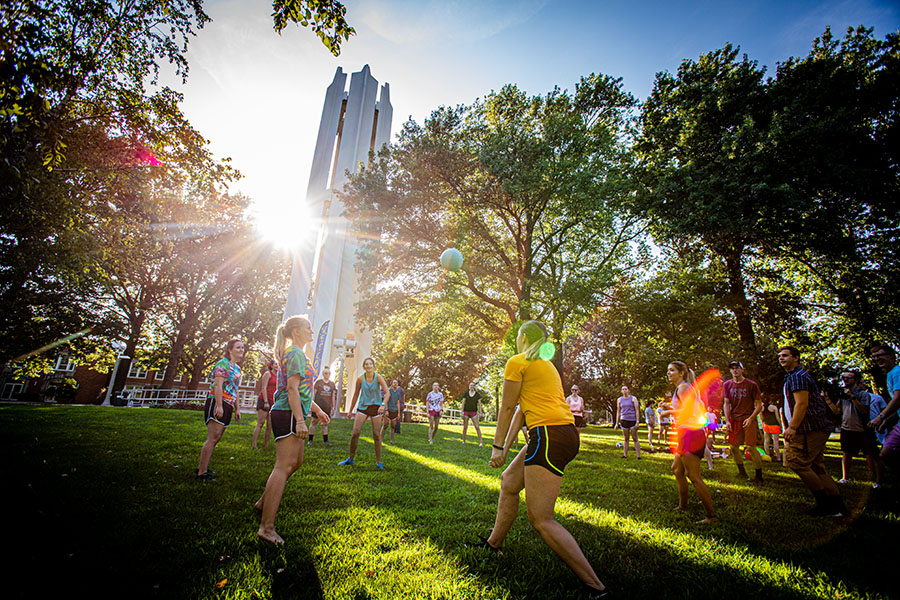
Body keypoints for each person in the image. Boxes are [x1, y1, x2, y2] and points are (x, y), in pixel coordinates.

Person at [470, 320, 610, 599]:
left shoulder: (518, 361)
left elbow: (507, 407)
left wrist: (496, 447)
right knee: (509, 481)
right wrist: (505, 449)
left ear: (522, 337)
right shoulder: (545, 366)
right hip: (561, 434)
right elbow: (522, 410)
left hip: (548, 437)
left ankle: (597, 588)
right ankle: (493, 544)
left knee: (541, 518)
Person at [256, 316, 330, 544]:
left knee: (295, 462)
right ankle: (266, 528)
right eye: (308, 327)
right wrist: (300, 419)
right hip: (288, 413)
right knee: (283, 466)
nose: (312, 330)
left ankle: (262, 503)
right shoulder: (296, 353)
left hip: (292, 412)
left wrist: (316, 410)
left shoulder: (298, 354)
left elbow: (303, 391)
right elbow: (291, 389)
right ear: (296, 332)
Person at [777, 346, 845, 517]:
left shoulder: (798, 377)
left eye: (785, 355)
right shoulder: (793, 376)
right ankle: (837, 507)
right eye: (779, 356)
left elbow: (802, 404)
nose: (781, 358)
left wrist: (792, 427)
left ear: (796, 358)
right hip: (813, 428)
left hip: (808, 429)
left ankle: (825, 505)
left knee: (795, 461)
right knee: (817, 467)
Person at [659, 361, 716, 523]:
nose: (668, 373)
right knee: (677, 469)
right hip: (687, 432)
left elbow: (688, 411)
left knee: (694, 475)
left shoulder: (684, 387)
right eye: (667, 370)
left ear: (681, 373)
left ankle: (711, 516)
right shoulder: (682, 388)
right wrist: (669, 406)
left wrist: (667, 412)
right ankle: (683, 505)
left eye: (671, 370)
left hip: (691, 434)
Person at [824, 370, 883, 488]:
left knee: (869, 454)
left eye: (848, 378)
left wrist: (853, 398)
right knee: (846, 453)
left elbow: (864, 410)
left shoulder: (863, 395)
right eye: (843, 377)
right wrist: (827, 400)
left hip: (862, 429)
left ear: (855, 380)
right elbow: (837, 411)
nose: (845, 380)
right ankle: (845, 478)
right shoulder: (843, 394)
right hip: (847, 428)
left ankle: (877, 480)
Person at [196, 339, 244, 481]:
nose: (241, 350)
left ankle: (203, 467)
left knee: (217, 438)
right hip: (218, 401)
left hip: (229, 403)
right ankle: (201, 473)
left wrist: (237, 409)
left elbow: (235, 389)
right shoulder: (223, 364)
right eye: (238, 347)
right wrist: (219, 406)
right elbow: (218, 385)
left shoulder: (237, 368)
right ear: (230, 350)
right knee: (212, 438)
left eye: (242, 347)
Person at [339, 357, 390, 469]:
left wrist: (382, 405)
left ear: (373, 366)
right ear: (364, 367)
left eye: (370, 364)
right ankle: (350, 459)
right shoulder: (360, 379)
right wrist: (351, 410)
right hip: (362, 407)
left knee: (376, 435)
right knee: (355, 433)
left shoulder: (378, 378)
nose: (368, 366)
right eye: (366, 364)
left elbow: (387, 393)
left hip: (376, 408)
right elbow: (356, 395)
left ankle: (379, 462)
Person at [723, 361, 764, 483]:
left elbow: (759, 405)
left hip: (748, 418)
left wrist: (751, 418)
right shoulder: (727, 385)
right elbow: (726, 403)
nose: (735, 371)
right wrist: (727, 420)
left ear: (742, 369)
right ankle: (742, 473)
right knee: (734, 447)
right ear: (730, 371)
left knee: (751, 447)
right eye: (732, 368)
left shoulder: (751, 384)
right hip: (734, 419)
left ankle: (759, 476)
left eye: (737, 368)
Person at [869, 343, 900, 469]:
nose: (877, 359)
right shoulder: (891, 373)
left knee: (886, 454)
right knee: (885, 454)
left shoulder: (897, 373)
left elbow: (898, 399)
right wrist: (887, 421)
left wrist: (880, 417)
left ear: (891, 356)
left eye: (880, 355)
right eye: (874, 357)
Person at [251, 359, 277, 449]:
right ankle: (254, 445)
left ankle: (265, 444)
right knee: (260, 423)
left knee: (270, 425)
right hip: (264, 400)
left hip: (273, 402)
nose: (277, 366)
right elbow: (264, 387)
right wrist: (265, 401)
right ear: (272, 365)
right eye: (276, 364)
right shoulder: (268, 374)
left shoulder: (280, 376)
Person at [308, 366, 336, 446]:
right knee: (314, 421)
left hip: (327, 407)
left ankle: (326, 440)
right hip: (318, 406)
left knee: (325, 423)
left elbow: (333, 396)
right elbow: (314, 394)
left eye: (329, 373)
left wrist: (333, 407)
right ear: (323, 374)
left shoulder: (332, 384)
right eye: (326, 373)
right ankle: (310, 440)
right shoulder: (318, 382)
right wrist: (311, 404)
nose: (327, 375)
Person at [616, 385, 641, 459]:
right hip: (624, 420)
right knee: (626, 438)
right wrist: (616, 423)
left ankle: (638, 456)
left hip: (632, 420)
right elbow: (618, 411)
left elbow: (637, 411)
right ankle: (625, 455)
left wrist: (637, 421)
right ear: (621, 391)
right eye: (623, 389)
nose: (624, 390)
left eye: (626, 389)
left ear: (628, 390)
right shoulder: (619, 400)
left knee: (635, 438)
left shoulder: (633, 398)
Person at [458, 381, 485, 445]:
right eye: (470, 385)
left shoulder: (477, 395)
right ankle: (464, 441)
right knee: (465, 427)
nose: (472, 386)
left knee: (477, 427)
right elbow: (463, 403)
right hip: (466, 412)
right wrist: (462, 412)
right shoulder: (466, 394)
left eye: (473, 385)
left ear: (474, 387)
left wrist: (480, 412)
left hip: (474, 412)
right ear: (469, 387)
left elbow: (479, 404)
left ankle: (481, 442)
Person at [760, 398, 784, 463]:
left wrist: (763, 423)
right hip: (775, 425)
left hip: (767, 425)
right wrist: (780, 425)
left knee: (766, 441)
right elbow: (777, 417)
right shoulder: (774, 407)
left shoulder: (761, 408)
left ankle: (768, 456)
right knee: (776, 442)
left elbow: (761, 417)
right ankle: (778, 457)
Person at [385, 379, 404, 444]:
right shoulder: (389, 391)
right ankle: (380, 439)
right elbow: (386, 401)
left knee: (392, 426)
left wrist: (398, 413)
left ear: (398, 384)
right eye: (394, 382)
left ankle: (391, 440)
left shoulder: (398, 393)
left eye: (396, 383)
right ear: (391, 384)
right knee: (385, 425)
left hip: (395, 411)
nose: (395, 384)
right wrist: (386, 410)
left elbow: (398, 403)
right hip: (388, 410)